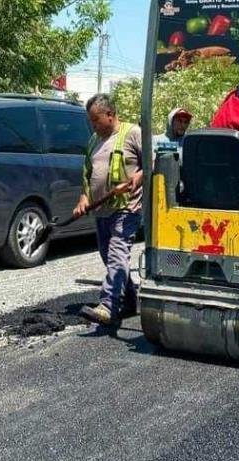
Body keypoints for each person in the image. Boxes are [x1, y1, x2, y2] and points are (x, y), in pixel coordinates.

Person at [75, 94, 144, 327]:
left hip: (126, 209)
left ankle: (108, 305)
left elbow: (153, 162)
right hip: (101, 211)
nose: (93, 126)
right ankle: (130, 300)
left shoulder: (132, 133)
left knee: (117, 254)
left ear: (110, 115)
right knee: (108, 256)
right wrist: (83, 198)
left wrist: (137, 177)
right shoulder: (94, 140)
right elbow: (86, 173)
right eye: (90, 121)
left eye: (95, 120)